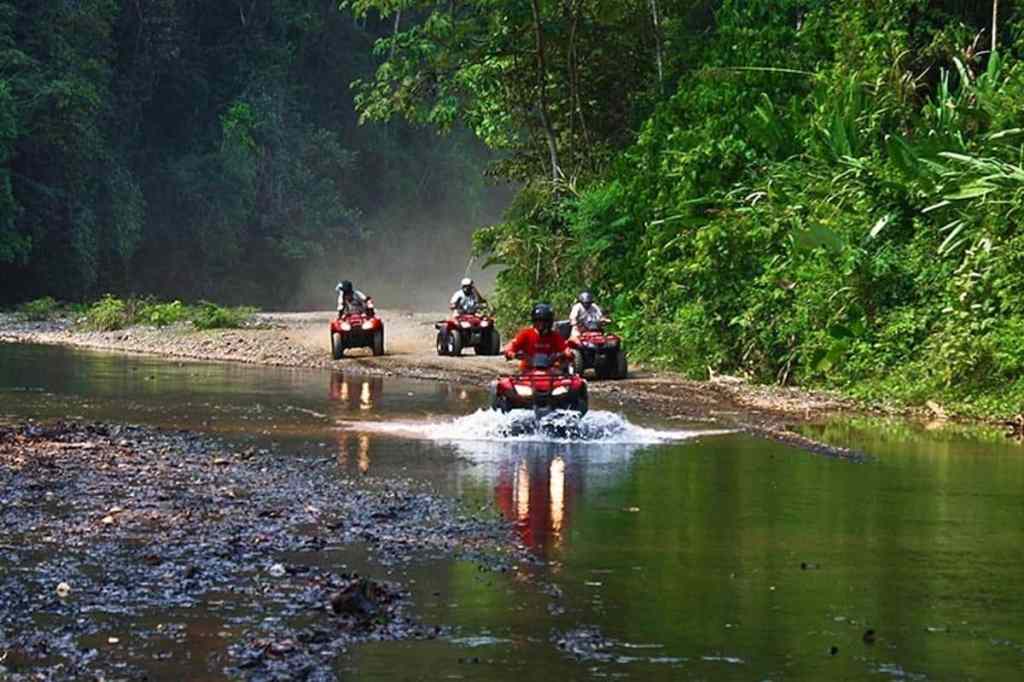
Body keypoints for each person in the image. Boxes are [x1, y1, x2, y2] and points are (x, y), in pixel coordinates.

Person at [505, 302, 573, 372]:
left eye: (544, 321)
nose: (540, 324)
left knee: (568, 380)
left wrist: (567, 353)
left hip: (551, 371)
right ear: (533, 321)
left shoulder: (555, 336)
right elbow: (512, 344)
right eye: (538, 320)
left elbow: (565, 348)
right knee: (501, 382)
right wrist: (510, 352)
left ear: (549, 322)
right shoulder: (526, 334)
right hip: (528, 370)